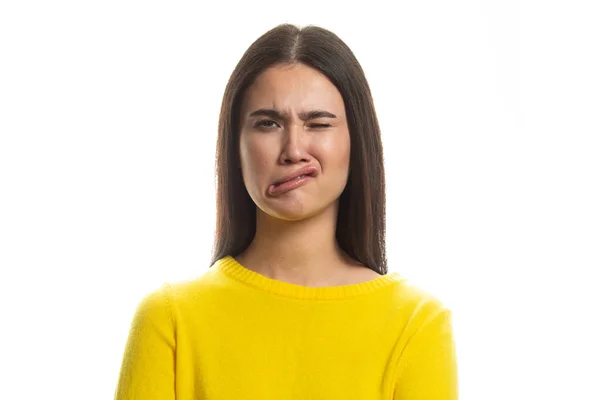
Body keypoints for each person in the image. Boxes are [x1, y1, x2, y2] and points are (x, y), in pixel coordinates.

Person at [114, 23, 458, 400]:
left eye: (318, 123)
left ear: (356, 142)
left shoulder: (417, 323)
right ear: (236, 147)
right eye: (268, 124)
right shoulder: (170, 320)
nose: (293, 149)